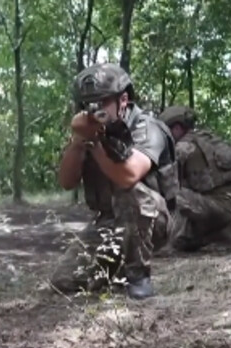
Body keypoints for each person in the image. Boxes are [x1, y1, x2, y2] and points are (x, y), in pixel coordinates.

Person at [50, 63, 177, 300]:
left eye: (102, 102)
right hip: (110, 223)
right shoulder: (90, 130)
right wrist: (79, 141)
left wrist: (96, 145)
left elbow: (128, 176)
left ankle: (139, 275)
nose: (94, 109)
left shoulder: (147, 128)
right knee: (64, 280)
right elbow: (67, 182)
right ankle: (117, 267)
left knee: (129, 191)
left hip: (152, 220)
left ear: (123, 100)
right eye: (86, 104)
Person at [158, 105, 231, 251]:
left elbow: (168, 186)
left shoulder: (183, 147)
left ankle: (166, 244)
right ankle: (222, 236)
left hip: (214, 207)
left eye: (167, 131)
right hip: (227, 208)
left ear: (178, 128)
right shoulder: (209, 139)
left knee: (170, 194)